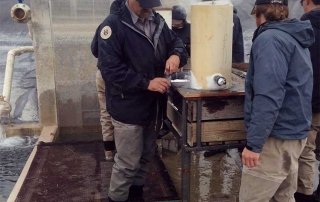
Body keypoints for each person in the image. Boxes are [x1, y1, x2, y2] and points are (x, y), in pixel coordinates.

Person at [91, 0, 188, 201]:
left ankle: (136, 196)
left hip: (153, 106)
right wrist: (146, 83)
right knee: (127, 164)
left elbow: (176, 43)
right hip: (128, 106)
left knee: (145, 158)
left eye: (151, 4)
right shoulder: (113, 25)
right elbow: (110, 70)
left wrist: (176, 56)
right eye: (144, 4)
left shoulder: (157, 20)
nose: (148, 9)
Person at [239, 0, 314, 201]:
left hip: (276, 138)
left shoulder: (269, 40)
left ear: (258, 14)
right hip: (294, 133)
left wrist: (254, 144)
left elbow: (268, 95)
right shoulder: (293, 36)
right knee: (283, 197)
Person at [295, 0, 320, 201]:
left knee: (306, 150)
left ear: (308, 2)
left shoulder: (304, 27)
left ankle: (305, 195)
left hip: (311, 100)